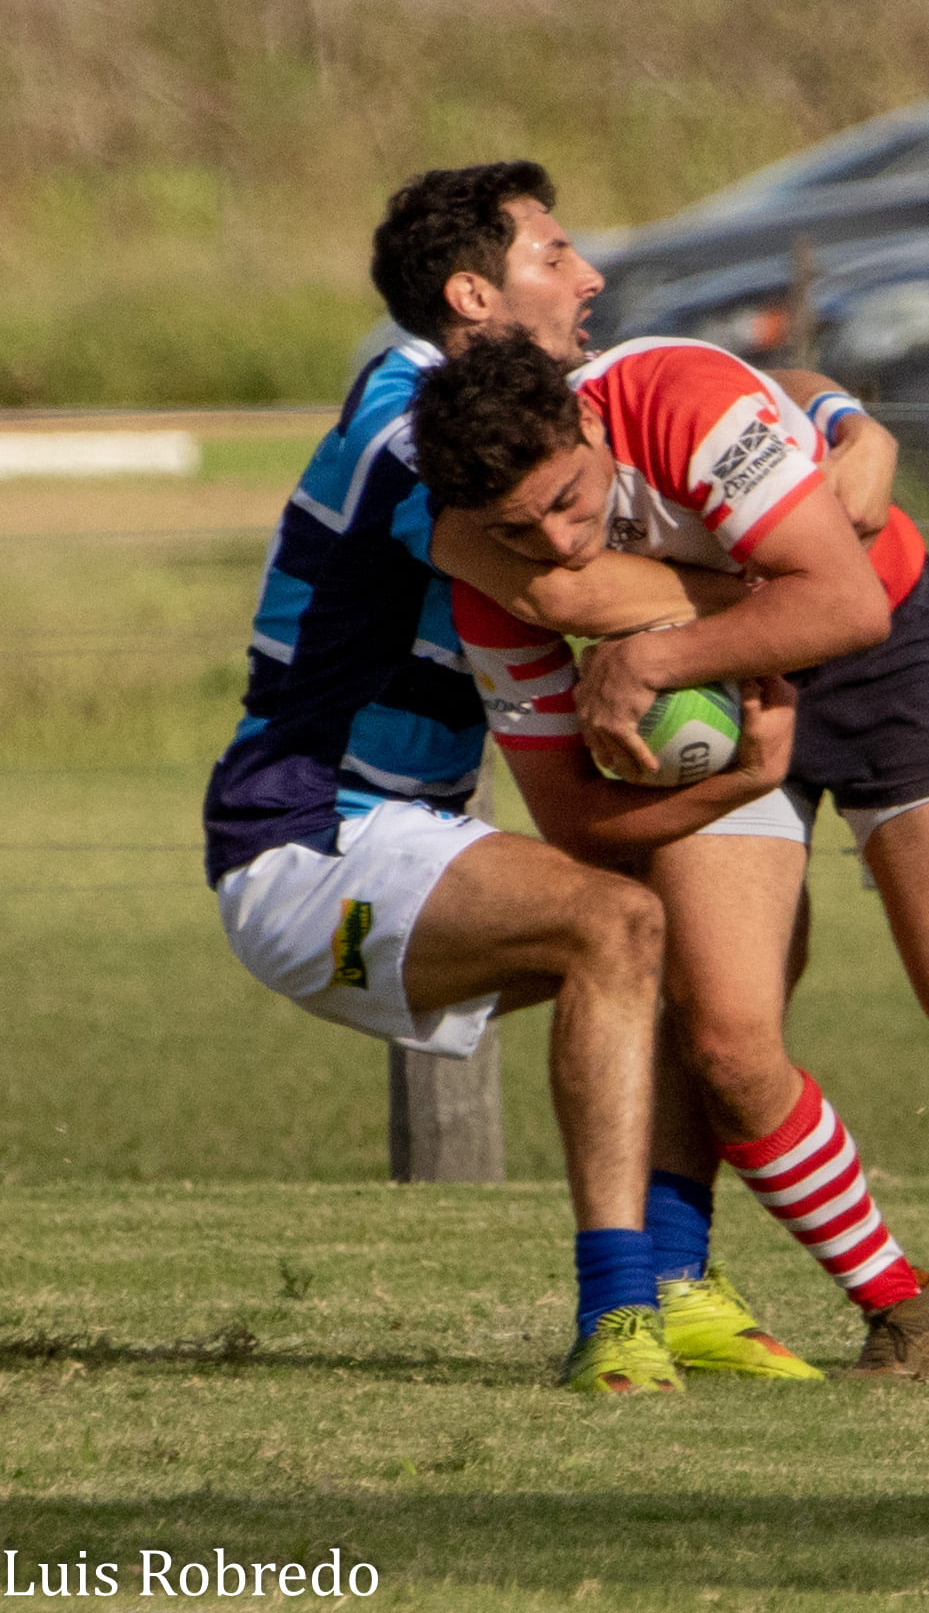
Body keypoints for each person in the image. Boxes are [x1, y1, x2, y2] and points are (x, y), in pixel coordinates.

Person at [414, 320, 929, 1359]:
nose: (558, 543)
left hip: (885, 655)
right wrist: (739, 761)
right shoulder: (481, 558)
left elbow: (845, 603)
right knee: (727, 1044)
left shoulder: (678, 403)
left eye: (567, 500)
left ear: (586, 421)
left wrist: (652, 659)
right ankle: (901, 1313)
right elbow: (568, 817)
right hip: (719, 710)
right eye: (519, 531)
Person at [201, 161, 808, 1396]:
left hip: (408, 832)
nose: (588, 277)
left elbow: (738, 418)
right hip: (308, 845)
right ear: (472, 294)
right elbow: (564, 587)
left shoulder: (517, 407)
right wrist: (794, 590)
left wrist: (829, 430)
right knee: (618, 920)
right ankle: (615, 1315)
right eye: (553, 255)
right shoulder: (405, 419)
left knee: (696, 941)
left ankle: (680, 1282)